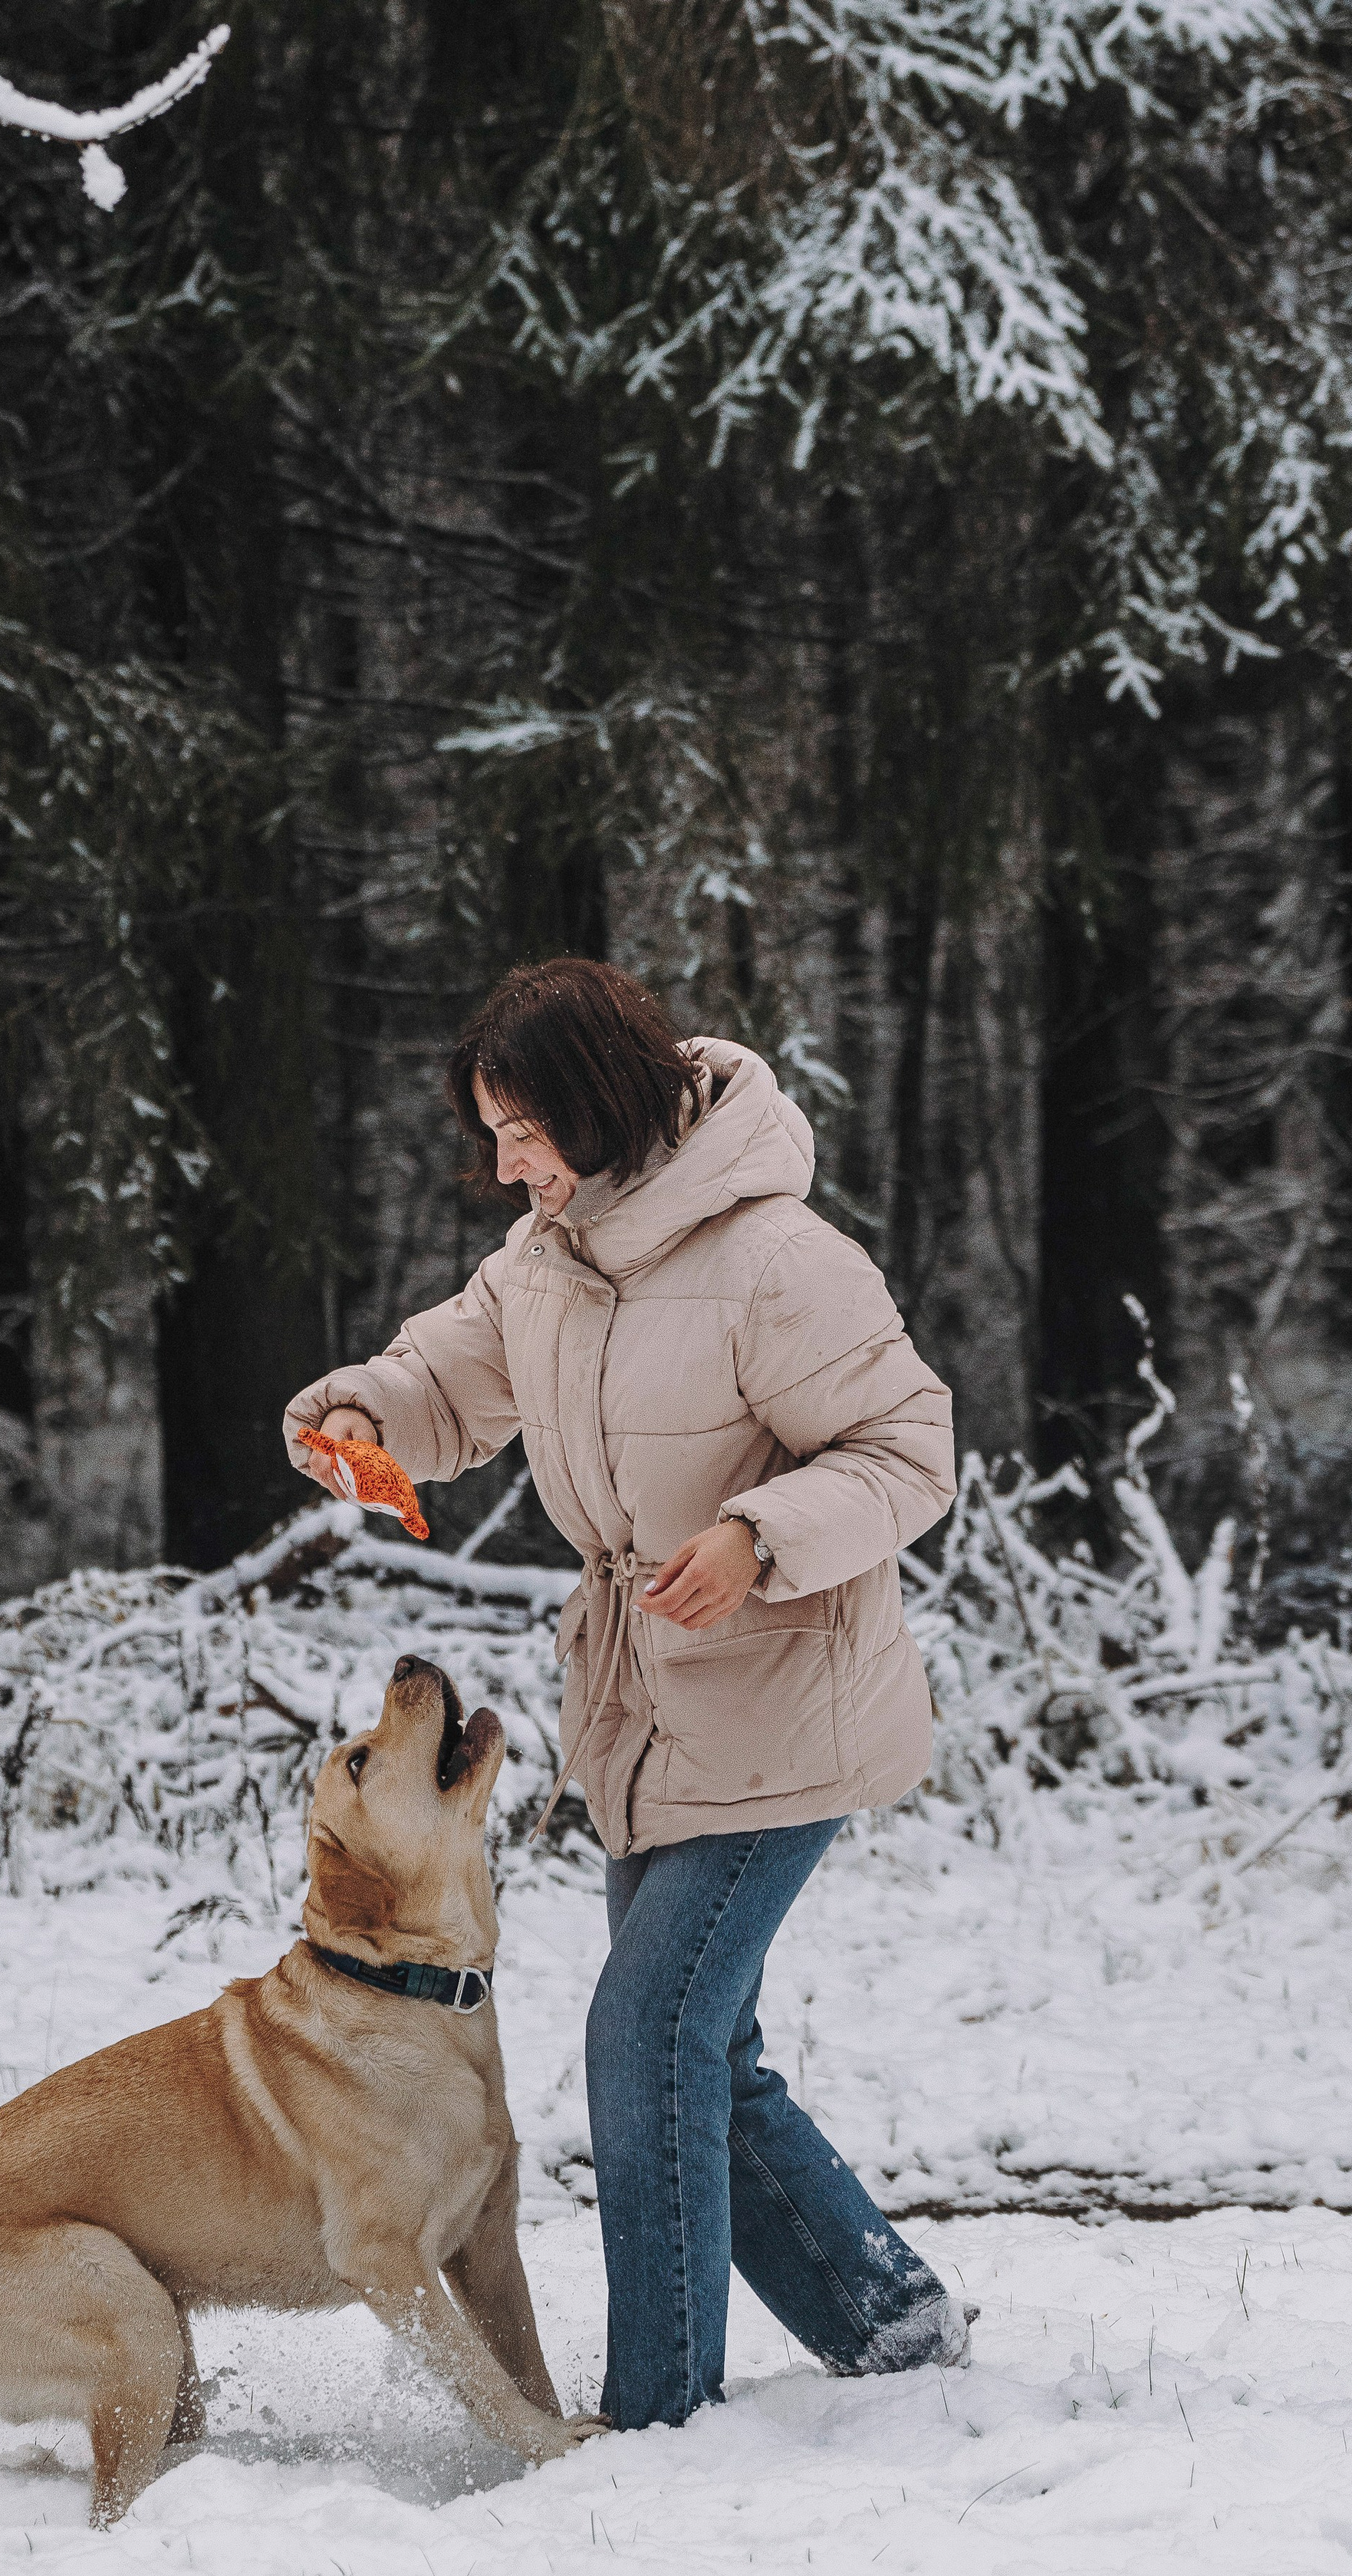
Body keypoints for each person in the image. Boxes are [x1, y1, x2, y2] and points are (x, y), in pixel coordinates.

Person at [283, 956, 972, 2430]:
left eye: (522, 1131)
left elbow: (913, 1453)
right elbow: (451, 1379)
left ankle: (660, 2415)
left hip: (783, 1707)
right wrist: (361, 1409)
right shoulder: (550, 1254)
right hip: (644, 1716)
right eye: (493, 1134)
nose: (504, 1166)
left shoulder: (778, 1260)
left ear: (595, 1103)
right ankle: (893, 2322)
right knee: (706, 2054)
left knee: (645, 2035)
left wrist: (757, 1537)